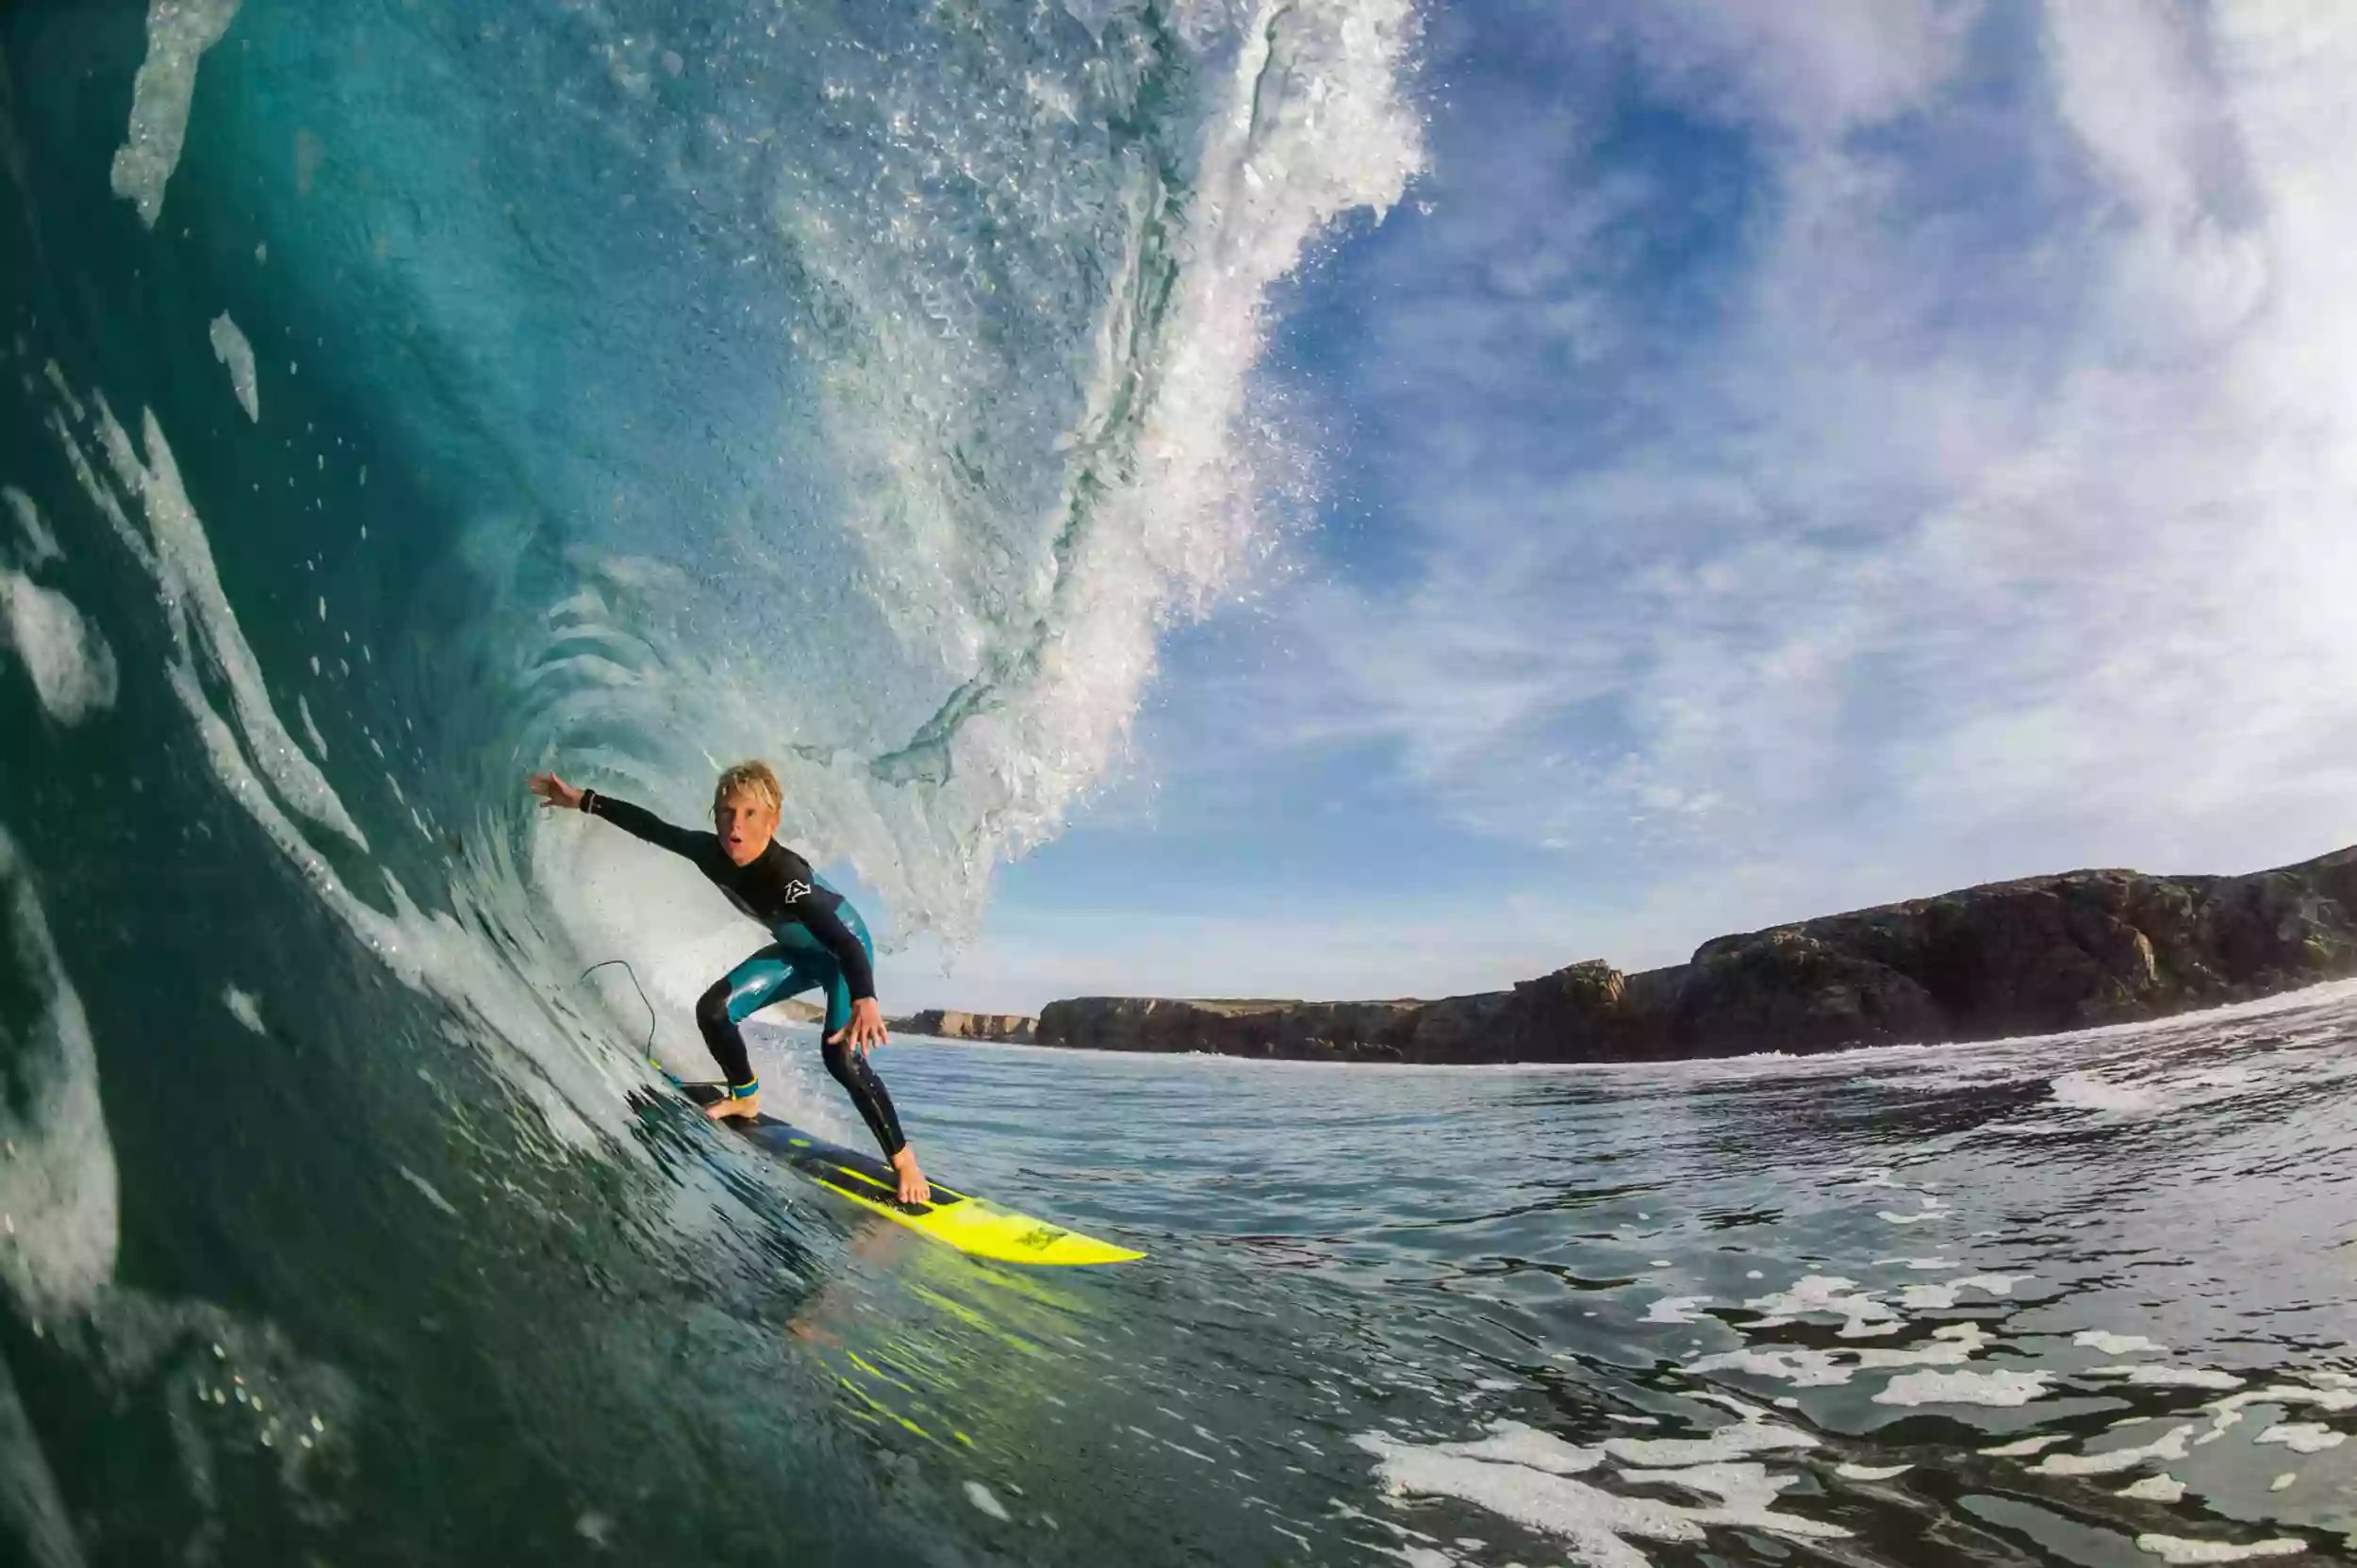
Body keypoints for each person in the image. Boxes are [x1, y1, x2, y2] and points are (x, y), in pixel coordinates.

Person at [528, 762, 930, 1205]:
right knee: (713, 1011)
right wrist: (583, 799)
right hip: (797, 952)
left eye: (749, 813)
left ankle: (905, 1160)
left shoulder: (787, 877)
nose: (735, 824)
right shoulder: (709, 853)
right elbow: (651, 826)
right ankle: (746, 1097)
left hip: (841, 955)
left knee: (839, 1057)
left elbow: (843, 941)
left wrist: (865, 997)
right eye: (725, 812)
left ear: (772, 822)